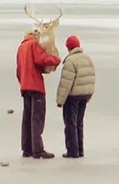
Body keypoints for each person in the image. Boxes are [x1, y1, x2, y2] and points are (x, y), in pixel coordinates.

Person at [16, 28, 62, 159]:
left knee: (27, 119)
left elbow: (18, 70)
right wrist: (55, 60)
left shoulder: (21, 48)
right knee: (37, 118)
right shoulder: (33, 44)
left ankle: (27, 149)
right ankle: (38, 149)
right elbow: (41, 59)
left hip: (25, 87)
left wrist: (23, 83)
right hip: (35, 86)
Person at [56, 35, 96, 159]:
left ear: (69, 47)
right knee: (79, 122)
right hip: (85, 95)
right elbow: (92, 78)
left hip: (73, 96)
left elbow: (66, 83)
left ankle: (72, 151)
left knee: (70, 123)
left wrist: (60, 101)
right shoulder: (87, 59)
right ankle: (80, 149)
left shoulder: (70, 61)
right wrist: (89, 95)